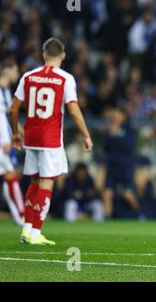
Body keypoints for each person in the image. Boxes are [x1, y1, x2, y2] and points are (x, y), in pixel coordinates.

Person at [10, 37, 93, 245]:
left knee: (35, 181)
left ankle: (27, 229)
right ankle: (36, 232)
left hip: (31, 137)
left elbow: (13, 108)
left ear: (43, 55)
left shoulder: (28, 76)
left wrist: (15, 132)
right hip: (50, 138)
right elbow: (73, 109)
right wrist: (85, 134)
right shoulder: (65, 78)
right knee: (47, 182)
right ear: (63, 56)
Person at [101, 107, 139, 218]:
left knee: (128, 194)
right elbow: (105, 147)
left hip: (125, 167)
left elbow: (130, 147)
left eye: (117, 114)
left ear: (123, 116)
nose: (115, 117)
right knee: (107, 193)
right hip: (112, 166)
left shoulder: (129, 128)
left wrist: (118, 135)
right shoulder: (109, 129)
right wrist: (112, 135)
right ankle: (107, 219)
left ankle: (139, 215)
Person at [0, 60, 25, 226]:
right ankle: (22, 216)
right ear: (7, 71)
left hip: (6, 140)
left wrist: (21, 132)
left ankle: (19, 216)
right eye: (15, 70)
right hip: (2, 142)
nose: (17, 74)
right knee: (11, 175)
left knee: (8, 176)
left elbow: (9, 117)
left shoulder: (6, 92)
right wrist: (4, 139)